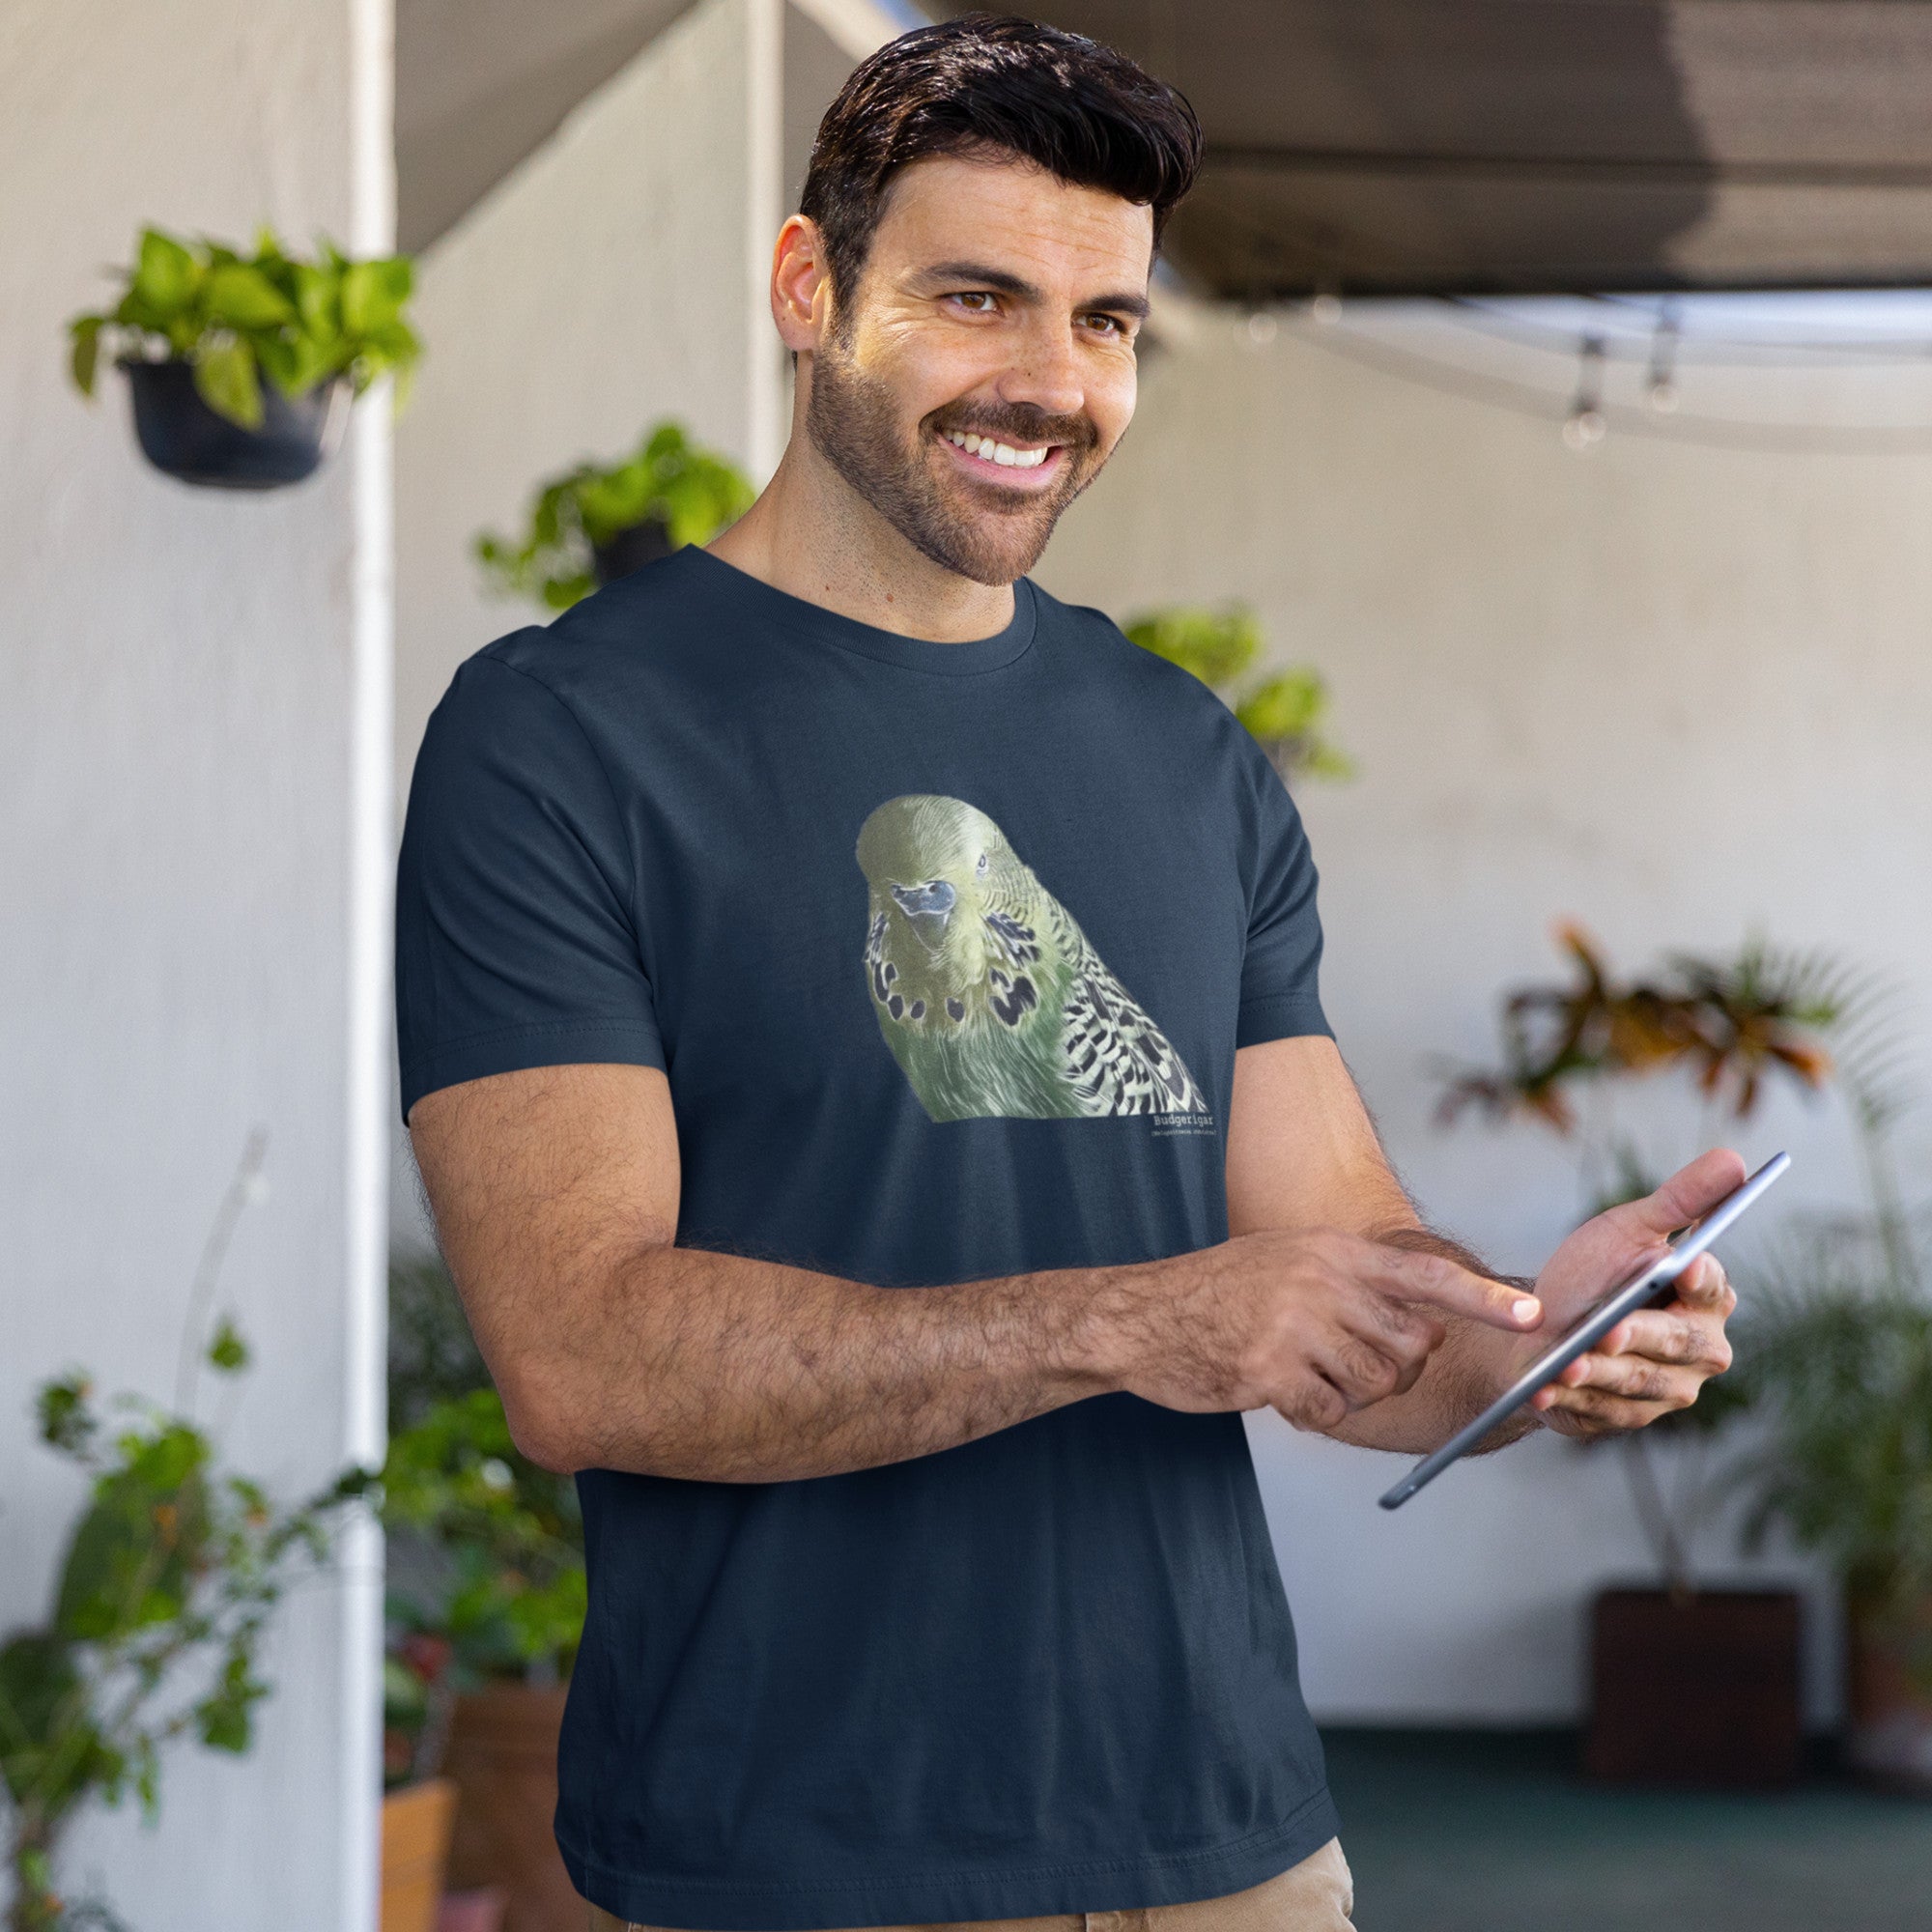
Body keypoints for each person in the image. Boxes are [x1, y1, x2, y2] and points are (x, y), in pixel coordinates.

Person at [395, 17, 1739, 1931]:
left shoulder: (1185, 755)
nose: (1051, 381)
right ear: (808, 288)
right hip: (786, 1864)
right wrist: (1126, 1322)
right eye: (976, 297)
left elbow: (1336, 1275)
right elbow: (577, 1353)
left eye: (1106, 320)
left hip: (1232, 1853)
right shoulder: (561, 740)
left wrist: (1536, 1334)